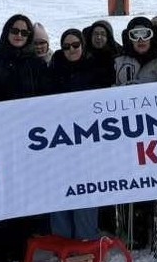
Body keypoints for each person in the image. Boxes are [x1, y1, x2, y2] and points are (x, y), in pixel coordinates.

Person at [0, 14, 51, 262]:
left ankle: (21, 248)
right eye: (15, 30)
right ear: (7, 32)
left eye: (24, 32)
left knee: (23, 193)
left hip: (28, 143)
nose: (19, 35)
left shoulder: (38, 66)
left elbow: (48, 102)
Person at [47, 28, 114, 242]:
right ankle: (62, 240)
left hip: (88, 140)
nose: (71, 50)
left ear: (83, 46)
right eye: (66, 46)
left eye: (75, 45)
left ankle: (86, 239)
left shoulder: (96, 69)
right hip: (59, 140)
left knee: (86, 188)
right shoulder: (54, 70)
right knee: (60, 188)